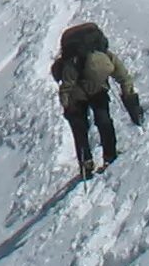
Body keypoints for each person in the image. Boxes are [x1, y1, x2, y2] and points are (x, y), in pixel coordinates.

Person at [51, 20, 143, 179]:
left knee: (80, 129)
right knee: (104, 121)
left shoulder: (80, 63)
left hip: (81, 96)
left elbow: (65, 88)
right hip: (91, 93)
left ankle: (86, 163)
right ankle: (110, 155)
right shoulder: (104, 58)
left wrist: (67, 107)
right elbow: (124, 78)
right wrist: (130, 100)